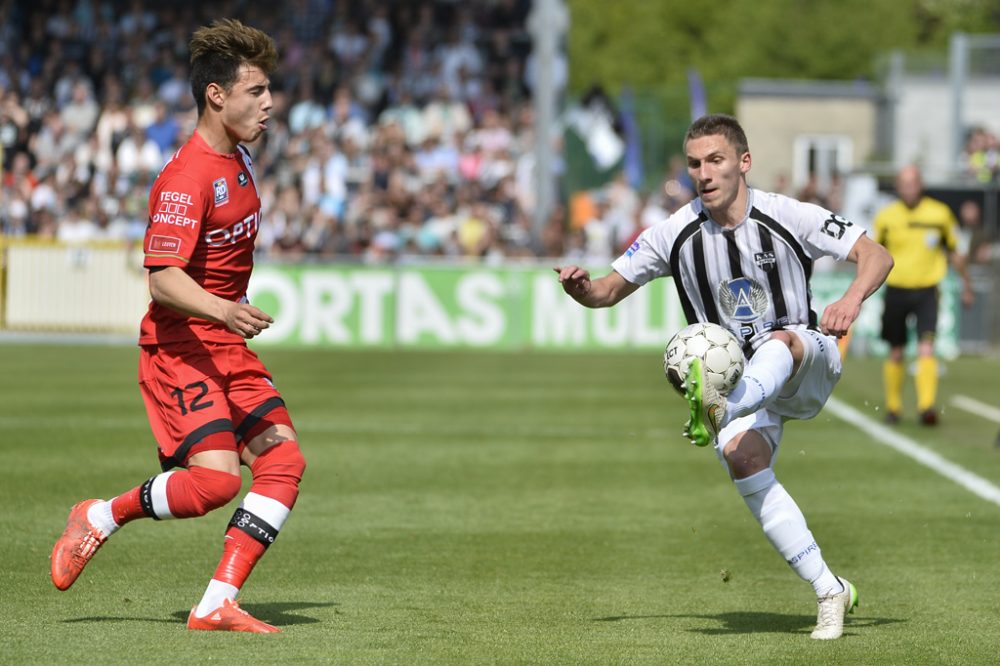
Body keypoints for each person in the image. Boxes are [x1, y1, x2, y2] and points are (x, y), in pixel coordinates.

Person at [555, 114, 893, 641]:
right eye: (694, 163)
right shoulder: (672, 233)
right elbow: (606, 291)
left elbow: (876, 254)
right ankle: (831, 591)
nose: (704, 173)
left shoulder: (789, 214)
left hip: (807, 356)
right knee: (743, 461)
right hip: (739, 376)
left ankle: (722, 407)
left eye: (715, 160)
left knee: (782, 340)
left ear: (743, 162)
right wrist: (581, 288)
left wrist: (850, 299)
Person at [50, 19, 306, 634]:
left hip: (225, 345)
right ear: (216, 95)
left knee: (284, 461)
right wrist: (223, 308)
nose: (269, 104)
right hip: (181, 346)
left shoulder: (239, 157)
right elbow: (162, 277)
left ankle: (216, 602)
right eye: (255, 92)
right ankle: (101, 515)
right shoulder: (186, 177)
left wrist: (227, 315)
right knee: (215, 485)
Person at [873, 165, 974, 426]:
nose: (909, 188)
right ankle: (893, 407)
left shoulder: (939, 214)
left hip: (928, 290)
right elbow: (873, 254)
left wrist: (966, 284)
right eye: (904, 183)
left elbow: (955, 251)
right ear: (898, 186)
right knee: (896, 350)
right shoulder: (887, 216)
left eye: (913, 182)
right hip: (896, 289)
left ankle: (926, 406)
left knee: (926, 347)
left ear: (921, 184)